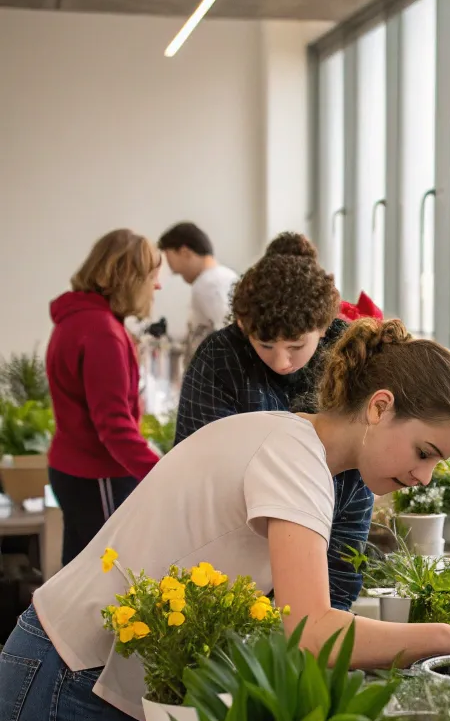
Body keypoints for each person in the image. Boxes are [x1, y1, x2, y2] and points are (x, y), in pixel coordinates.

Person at [0, 317, 450, 721]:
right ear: (379, 408)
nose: (425, 477)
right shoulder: (293, 458)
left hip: (77, 667)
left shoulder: (289, 442)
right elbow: (311, 631)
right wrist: (446, 639)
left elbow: (287, 621)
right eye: (425, 452)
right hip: (65, 673)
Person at [174, 233, 370, 609]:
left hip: (330, 537)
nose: (282, 361)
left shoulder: (347, 352)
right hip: (229, 558)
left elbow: (355, 480)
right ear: (244, 324)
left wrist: (335, 603)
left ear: (324, 324)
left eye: (297, 346)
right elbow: (198, 474)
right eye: (265, 345)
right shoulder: (219, 358)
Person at [46, 229, 162, 565]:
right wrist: (161, 472)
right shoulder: (101, 332)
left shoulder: (78, 319)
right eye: (152, 276)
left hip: (75, 471)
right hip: (98, 476)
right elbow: (113, 426)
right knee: (116, 584)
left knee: (76, 583)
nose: (158, 286)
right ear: (129, 278)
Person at [157, 221, 238, 362]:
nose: (173, 270)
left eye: (170, 261)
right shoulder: (224, 276)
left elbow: (229, 333)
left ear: (185, 252)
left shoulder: (208, 284)